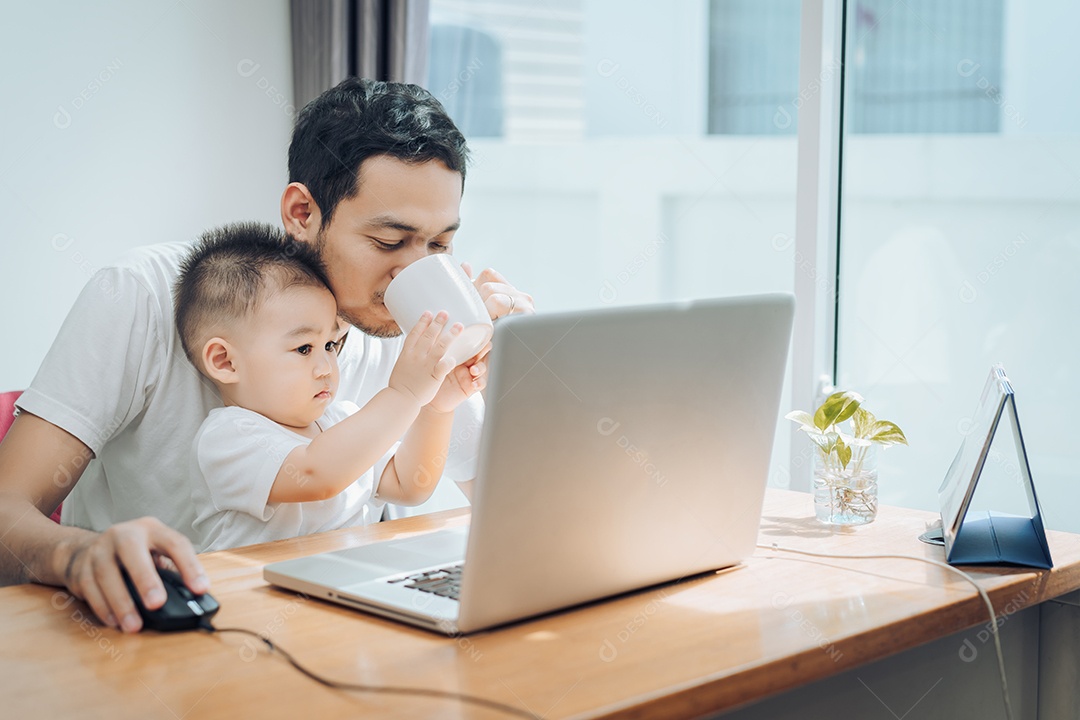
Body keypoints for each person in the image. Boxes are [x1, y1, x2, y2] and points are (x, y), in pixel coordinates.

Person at [0, 77, 533, 633]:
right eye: (388, 242)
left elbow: (524, 510)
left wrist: (517, 368)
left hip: (348, 628)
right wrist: (76, 554)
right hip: (168, 638)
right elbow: (6, 512)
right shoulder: (145, 294)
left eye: (440, 244)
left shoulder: (416, 326)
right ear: (302, 211)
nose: (415, 271)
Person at [177, 223, 485, 552]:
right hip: (256, 598)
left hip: (343, 587)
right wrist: (404, 393)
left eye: (330, 345)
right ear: (225, 361)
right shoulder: (228, 437)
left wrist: (437, 406)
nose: (327, 368)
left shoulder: (342, 419)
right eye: (304, 348)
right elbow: (317, 475)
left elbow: (408, 485)